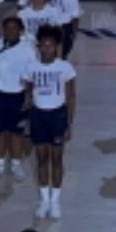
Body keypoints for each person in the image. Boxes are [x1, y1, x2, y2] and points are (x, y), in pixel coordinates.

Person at [21, 25, 76, 220]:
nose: (47, 49)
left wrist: (69, 123)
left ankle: (55, 201)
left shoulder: (65, 68)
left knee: (57, 158)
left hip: (57, 115)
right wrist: (28, 121)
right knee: (41, 158)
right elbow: (27, 95)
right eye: (43, 46)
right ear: (39, 47)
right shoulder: (31, 68)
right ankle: (44, 201)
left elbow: (70, 97)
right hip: (38, 115)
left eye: (50, 45)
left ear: (57, 47)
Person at [0, 17, 36, 182]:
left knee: (16, 131)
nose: (11, 31)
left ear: (21, 30)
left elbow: (32, 73)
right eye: (7, 28)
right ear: (2, 30)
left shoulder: (29, 49)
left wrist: (29, 95)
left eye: (14, 28)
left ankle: (15, 163)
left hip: (18, 94)